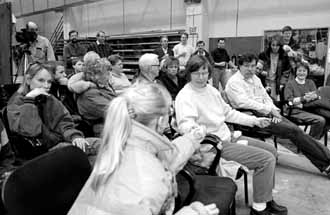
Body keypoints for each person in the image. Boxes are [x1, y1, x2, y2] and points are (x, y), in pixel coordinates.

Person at [68, 83, 219, 215]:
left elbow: (171, 155)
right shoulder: (146, 180)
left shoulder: (126, 141)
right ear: (161, 120)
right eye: (169, 112)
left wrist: (192, 138)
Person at [175, 55, 287, 215]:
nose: (201, 77)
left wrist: (255, 121)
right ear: (189, 74)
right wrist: (194, 131)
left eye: (205, 73)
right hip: (213, 146)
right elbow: (185, 125)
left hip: (229, 136)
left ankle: (266, 198)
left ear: (209, 73)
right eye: (196, 73)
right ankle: (259, 208)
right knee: (266, 159)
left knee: (273, 152)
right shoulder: (185, 96)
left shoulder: (212, 90)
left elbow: (229, 113)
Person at [225, 53, 330, 178]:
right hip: (252, 118)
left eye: (253, 66)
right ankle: (326, 162)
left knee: (297, 132)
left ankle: (326, 161)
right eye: (247, 66)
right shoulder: (234, 82)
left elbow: (266, 97)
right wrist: (269, 110)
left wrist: (274, 110)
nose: (251, 69)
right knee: (294, 131)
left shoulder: (255, 79)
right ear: (239, 66)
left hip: (268, 112)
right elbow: (244, 102)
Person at [6, 62, 90, 157]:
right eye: (41, 80)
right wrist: (29, 100)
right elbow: (30, 131)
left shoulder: (49, 98)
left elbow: (64, 122)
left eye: (49, 81)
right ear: (29, 80)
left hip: (59, 141)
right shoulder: (16, 102)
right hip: (40, 151)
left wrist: (75, 136)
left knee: (100, 145)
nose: (46, 85)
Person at [284, 62, 327, 139]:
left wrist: (310, 98)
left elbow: (315, 96)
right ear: (296, 71)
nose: (302, 73)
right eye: (299, 70)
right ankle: (311, 142)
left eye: (304, 71)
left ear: (307, 72)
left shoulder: (310, 82)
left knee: (328, 118)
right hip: (294, 110)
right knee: (320, 120)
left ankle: (313, 140)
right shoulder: (290, 84)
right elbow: (289, 101)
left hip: (309, 108)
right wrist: (303, 98)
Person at [76, 58, 116, 136]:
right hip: (103, 130)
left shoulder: (101, 87)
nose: (110, 76)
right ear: (95, 75)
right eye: (107, 73)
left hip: (111, 125)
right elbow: (114, 110)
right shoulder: (89, 94)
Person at [257, 34, 291, 100]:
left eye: (277, 45)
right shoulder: (263, 55)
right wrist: (261, 72)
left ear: (280, 46)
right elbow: (258, 69)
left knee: (277, 103)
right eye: (273, 45)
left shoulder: (284, 56)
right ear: (270, 45)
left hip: (277, 84)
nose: (275, 47)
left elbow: (286, 72)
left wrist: (282, 83)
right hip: (265, 83)